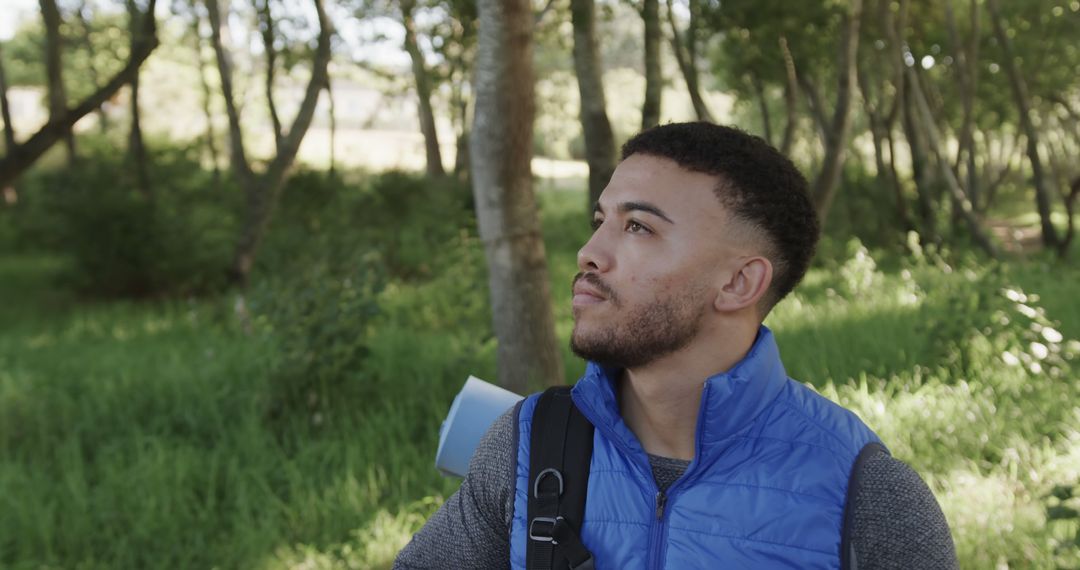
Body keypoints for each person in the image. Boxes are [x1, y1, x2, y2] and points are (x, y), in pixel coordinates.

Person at [395, 122, 957, 569]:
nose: (590, 253)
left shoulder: (867, 497)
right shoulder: (529, 442)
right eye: (601, 220)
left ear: (739, 284)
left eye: (638, 227)